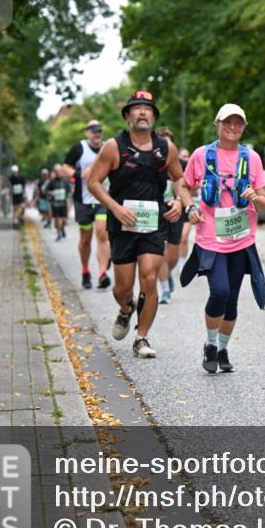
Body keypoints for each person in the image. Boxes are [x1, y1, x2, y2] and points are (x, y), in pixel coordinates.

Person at [87, 90, 196, 358]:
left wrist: (180, 203)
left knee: (149, 277)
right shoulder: (114, 147)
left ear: (154, 117)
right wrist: (115, 207)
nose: (143, 112)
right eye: (137, 108)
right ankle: (126, 309)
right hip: (122, 224)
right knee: (122, 288)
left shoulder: (166, 148)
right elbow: (93, 182)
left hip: (153, 223)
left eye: (148, 108)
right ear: (128, 116)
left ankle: (142, 337)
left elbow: (179, 179)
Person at [180, 104, 265, 375]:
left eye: (238, 123)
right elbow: (184, 186)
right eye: (227, 123)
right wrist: (190, 208)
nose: (233, 128)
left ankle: (223, 348)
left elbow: (264, 203)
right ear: (217, 124)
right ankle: (210, 344)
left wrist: (255, 197)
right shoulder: (201, 155)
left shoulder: (251, 158)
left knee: (231, 302)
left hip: (241, 239)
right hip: (210, 239)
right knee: (220, 291)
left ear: (243, 127)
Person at [65, 120, 113, 289]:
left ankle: (102, 274)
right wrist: (79, 174)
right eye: (93, 131)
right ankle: (85, 270)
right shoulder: (79, 148)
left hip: (102, 199)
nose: (97, 134)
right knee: (85, 239)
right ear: (87, 133)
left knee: (102, 234)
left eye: (99, 131)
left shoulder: (109, 147)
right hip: (83, 200)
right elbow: (66, 167)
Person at [156, 127, 183, 304]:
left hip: (175, 211)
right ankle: (165, 289)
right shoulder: (151, 163)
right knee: (160, 253)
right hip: (156, 212)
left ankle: (168, 274)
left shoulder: (180, 163)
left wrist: (179, 198)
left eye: (169, 141)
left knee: (172, 256)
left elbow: (188, 185)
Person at [46, 165, 73, 240]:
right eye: (56, 171)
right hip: (55, 204)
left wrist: (69, 202)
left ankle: (62, 228)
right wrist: (51, 193)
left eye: (59, 171)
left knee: (64, 221)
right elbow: (46, 191)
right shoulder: (52, 182)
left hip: (64, 204)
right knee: (57, 220)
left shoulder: (65, 181)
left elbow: (70, 192)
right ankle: (59, 234)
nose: (58, 173)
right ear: (54, 172)